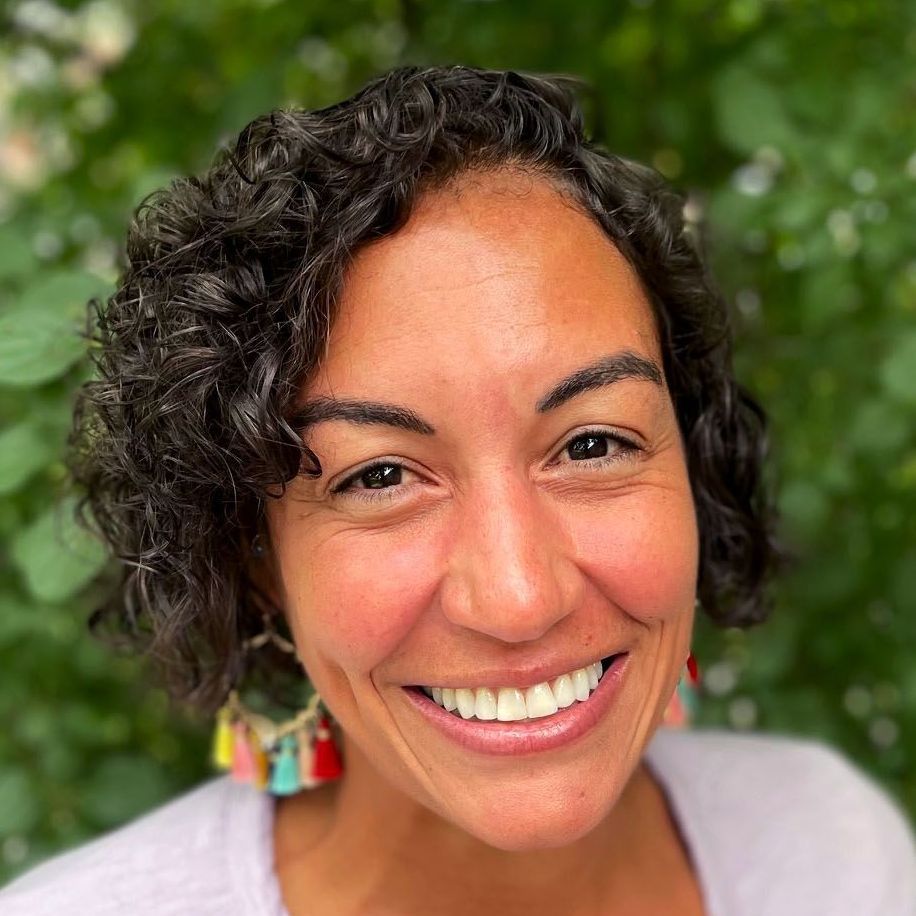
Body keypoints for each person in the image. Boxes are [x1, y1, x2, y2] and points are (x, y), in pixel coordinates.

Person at [1, 64, 914, 915]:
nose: (519, 599)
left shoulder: (836, 852)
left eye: (593, 444)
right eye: (382, 475)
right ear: (253, 562)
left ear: (694, 469)